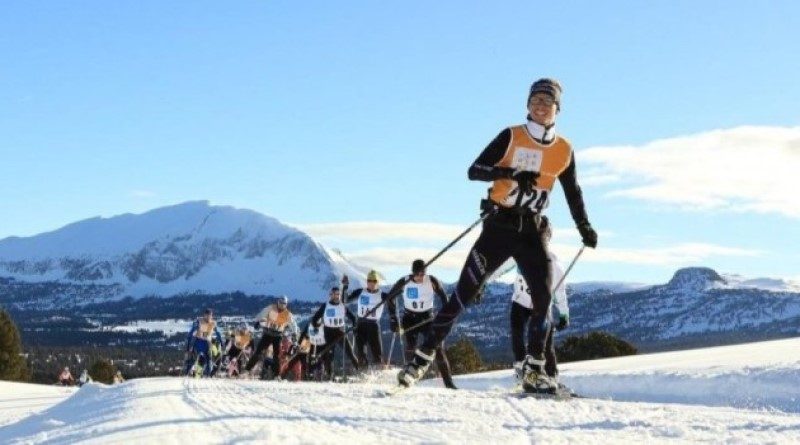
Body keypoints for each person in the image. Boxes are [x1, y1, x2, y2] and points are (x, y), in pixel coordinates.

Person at [398, 78, 597, 392]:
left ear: (557, 108)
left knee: (543, 298)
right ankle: (422, 356)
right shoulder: (512, 136)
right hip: (500, 226)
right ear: (527, 105)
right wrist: (508, 173)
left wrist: (584, 225)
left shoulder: (564, 150)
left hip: (532, 228)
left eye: (547, 102)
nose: (540, 107)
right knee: (463, 294)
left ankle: (535, 370)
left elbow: (573, 192)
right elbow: (474, 169)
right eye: (535, 101)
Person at [510, 216, 569, 386]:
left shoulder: (554, 265)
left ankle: (550, 377)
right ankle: (524, 373)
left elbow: (559, 290)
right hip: (521, 303)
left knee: (545, 343)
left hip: (542, 305)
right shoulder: (519, 254)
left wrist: (564, 313)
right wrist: (483, 283)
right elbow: (499, 266)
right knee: (518, 335)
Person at [388, 259, 456, 389]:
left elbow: (444, 298)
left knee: (438, 349)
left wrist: (446, 315)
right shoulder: (405, 281)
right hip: (410, 318)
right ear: (412, 272)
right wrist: (393, 319)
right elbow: (390, 298)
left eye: (422, 274)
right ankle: (407, 378)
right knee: (411, 348)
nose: (420, 277)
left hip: (427, 318)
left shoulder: (431, 281)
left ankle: (449, 383)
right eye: (417, 274)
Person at [308, 286, 360, 379]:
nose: (336, 296)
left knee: (350, 352)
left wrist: (354, 324)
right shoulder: (326, 305)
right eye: (334, 294)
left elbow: (353, 317)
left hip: (340, 331)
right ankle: (330, 375)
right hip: (328, 332)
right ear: (330, 295)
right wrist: (316, 325)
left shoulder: (342, 306)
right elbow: (315, 318)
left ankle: (360, 370)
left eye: (338, 294)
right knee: (330, 355)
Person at [342, 270, 390, 367]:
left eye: (374, 281)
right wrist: (345, 286)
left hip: (373, 325)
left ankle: (380, 372)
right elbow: (345, 300)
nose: (372, 283)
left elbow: (392, 300)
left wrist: (394, 320)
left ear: (378, 282)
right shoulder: (361, 292)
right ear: (367, 281)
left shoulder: (382, 295)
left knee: (377, 354)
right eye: (369, 281)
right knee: (361, 353)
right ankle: (364, 372)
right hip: (360, 324)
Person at [245, 296, 298, 379]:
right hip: (267, 334)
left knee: (276, 356)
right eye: (280, 303)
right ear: (278, 302)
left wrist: (295, 334)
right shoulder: (271, 308)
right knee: (258, 352)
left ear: (286, 304)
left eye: (284, 304)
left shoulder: (288, 314)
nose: (281, 305)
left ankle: (277, 375)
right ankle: (247, 370)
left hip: (278, 336)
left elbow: (293, 325)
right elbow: (262, 313)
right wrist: (257, 322)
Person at [184, 308, 224, 377]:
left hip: (207, 343)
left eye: (210, 315)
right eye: (207, 315)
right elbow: (191, 332)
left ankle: (208, 375)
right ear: (204, 315)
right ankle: (187, 373)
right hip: (198, 342)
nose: (209, 317)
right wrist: (189, 345)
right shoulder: (199, 321)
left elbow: (218, 333)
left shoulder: (213, 323)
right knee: (193, 358)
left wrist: (221, 342)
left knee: (209, 358)